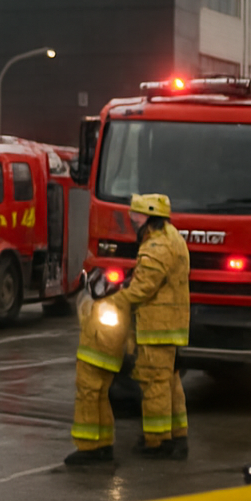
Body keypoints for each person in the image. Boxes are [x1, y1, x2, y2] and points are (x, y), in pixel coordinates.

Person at [113, 193, 191, 459]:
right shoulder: (174, 238)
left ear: (148, 217)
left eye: (136, 216)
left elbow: (143, 289)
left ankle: (157, 442)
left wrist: (116, 299)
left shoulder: (156, 247)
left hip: (156, 329)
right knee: (170, 383)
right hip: (171, 327)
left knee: (154, 384)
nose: (133, 221)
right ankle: (178, 437)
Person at [65, 267, 130, 465]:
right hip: (109, 359)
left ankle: (88, 447)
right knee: (101, 399)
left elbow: (86, 318)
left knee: (88, 398)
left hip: (93, 357)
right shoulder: (120, 301)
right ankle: (104, 444)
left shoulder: (100, 304)